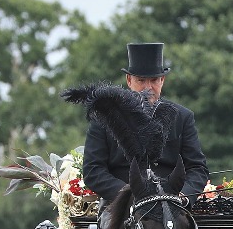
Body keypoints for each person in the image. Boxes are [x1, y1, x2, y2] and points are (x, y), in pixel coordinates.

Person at [82, 42, 209, 204]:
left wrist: (183, 196)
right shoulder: (103, 118)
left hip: (171, 202)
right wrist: (127, 195)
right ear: (129, 80)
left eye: (154, 80)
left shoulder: (183, 117)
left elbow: (197, 168)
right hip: (120, 204)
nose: (148, 88)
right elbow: (93, 171)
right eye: (141, 80)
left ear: (162, 80)